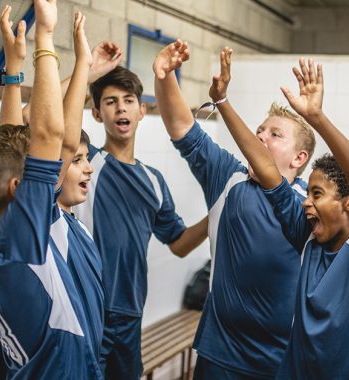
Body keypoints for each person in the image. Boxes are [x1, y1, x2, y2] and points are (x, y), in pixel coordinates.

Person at [217, 52, 349, 379]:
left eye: (316, 195)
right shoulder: (307, 236)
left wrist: (316, 117)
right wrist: (222, 101)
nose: (305, 202)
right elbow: (264, 165)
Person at [0, 2, 103, 378]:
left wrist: (13, 72)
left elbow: (4, 149)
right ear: (20, 190)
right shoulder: (20, 242)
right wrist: (45, 39)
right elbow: (55, 138)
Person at [153, 41, 316, 379]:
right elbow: (182, 128)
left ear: (299, 158)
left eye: (275, 134)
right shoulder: (228, 178)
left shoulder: (309, 204)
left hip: (283, 358)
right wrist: (166, 77)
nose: (260, 136)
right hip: (221, 352)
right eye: (259, 130)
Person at [73, 63, 209, 379]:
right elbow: (54, 130)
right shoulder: (85, 164)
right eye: (110, 101)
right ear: (96, 114)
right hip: (89, 311)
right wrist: (87, 70)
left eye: (128, 100)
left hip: (130, 316)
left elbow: (178, 244)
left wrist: (215, 215)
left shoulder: (154, 181)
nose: (121, 107)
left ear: (141, 110)